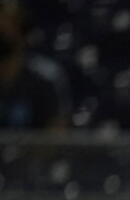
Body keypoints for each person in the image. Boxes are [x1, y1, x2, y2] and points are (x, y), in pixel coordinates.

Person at [0, 0, 70, 130]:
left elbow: (56, 137)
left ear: (21, 29)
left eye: (6, 26)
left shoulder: (46, 78)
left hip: (29, 151)